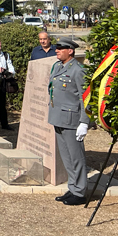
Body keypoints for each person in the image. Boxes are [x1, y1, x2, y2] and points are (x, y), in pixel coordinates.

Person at [48, 37, 89, 206]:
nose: (56, 50)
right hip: (59, 117)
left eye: (60, 48)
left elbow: (85, 98)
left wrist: (84, 122)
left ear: (70, 51)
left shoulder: (77, 70)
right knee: (66, 157)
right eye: (56, 48)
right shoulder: (58, 66)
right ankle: (73, 188)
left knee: (76, 157)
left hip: (72, 120)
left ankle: (80, 192)